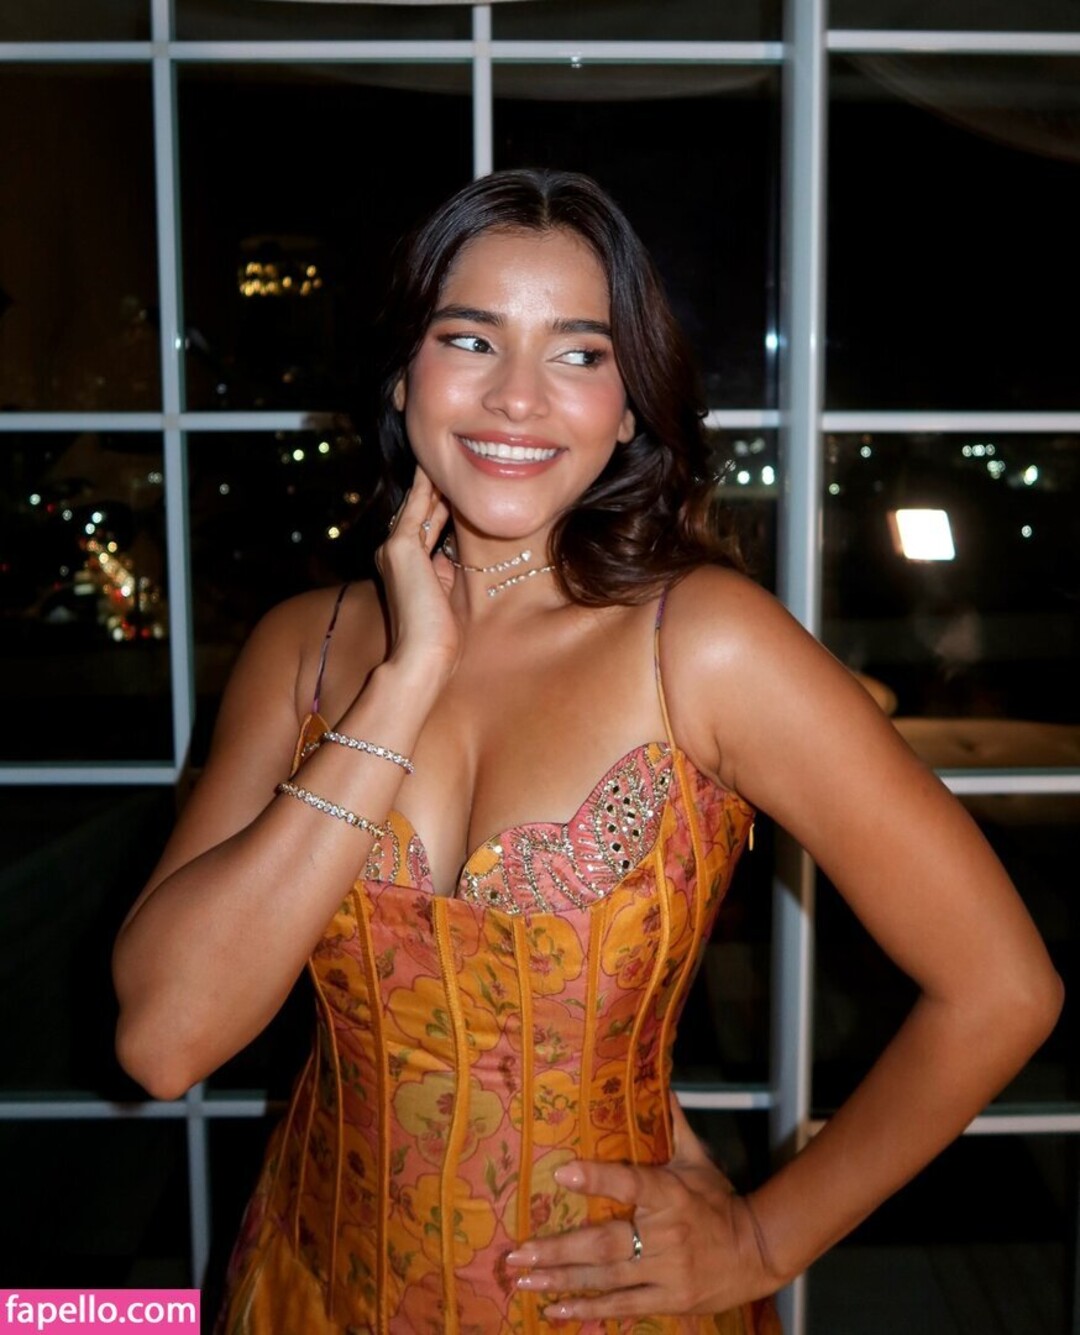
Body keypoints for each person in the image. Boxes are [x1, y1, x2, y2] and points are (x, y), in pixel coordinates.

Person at [112, 168, 1062, 1334]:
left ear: (627, 409)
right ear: (404, 374)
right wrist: (401, 689)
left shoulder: (703, 644)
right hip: (310, 1285)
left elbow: (1003, 989)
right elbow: (165, 1043)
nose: (517, 397)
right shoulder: (302, 649)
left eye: (578, 353)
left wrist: (766, 1240)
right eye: (471, 339)